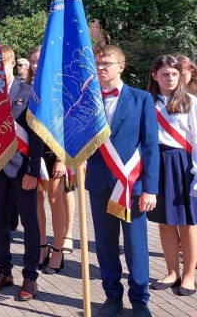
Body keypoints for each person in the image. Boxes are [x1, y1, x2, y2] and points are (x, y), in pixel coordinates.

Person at [86, 45, 159, 317]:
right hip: (99, 183)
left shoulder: (141, 99)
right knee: (105, 245)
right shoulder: (88, 98)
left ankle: (140, 299)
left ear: (121, 66)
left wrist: (150, 189)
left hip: (132, 185)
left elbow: (150, 146)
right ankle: (112, 296)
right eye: (98, 62)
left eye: (107, 63)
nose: (101, 67)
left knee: (136, 245)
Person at [0, 45, 42, 300]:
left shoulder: (28, 92)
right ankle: (4, 270)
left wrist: (34, 171)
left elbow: (36, 135)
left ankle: (30, 277)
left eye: (2, 64)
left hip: (22, 170)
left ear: (11, 64)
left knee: (29, 224)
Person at [146, 55, 197, 296]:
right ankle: (171, 271)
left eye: (174, 74)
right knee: (166, 221)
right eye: (165, 74)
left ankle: (188, 275)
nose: (170, 78)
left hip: (183, 164)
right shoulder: (147, 103)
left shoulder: (191, 102)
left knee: (187, 223)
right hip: (158, 164)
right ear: (155, 75)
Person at [27, 45, 67, 274]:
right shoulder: (26, 89)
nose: (37, 65)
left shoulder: (59, 89)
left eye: (41, 61)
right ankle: (42, 246)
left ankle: (58, 250)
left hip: (54, 153)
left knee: (55, 200)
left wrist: (63, 158)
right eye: (34, 61)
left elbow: (67, 127)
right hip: (32, 153)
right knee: (36, 203)